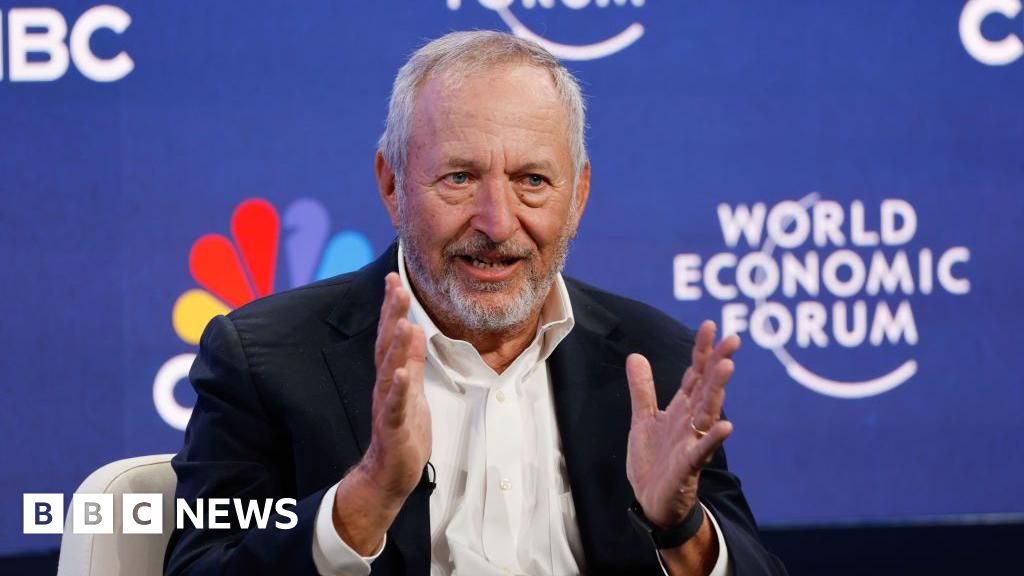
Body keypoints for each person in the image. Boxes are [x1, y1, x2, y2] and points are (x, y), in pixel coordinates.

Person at [165, 31, 786, 576]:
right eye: (459, 178)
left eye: (532, 181)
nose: (497, 222)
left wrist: (681, 528)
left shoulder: (653, 362)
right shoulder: (267, 360)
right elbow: (201, 566)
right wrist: (364, 500)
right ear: (392, 185)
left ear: (578, 196)